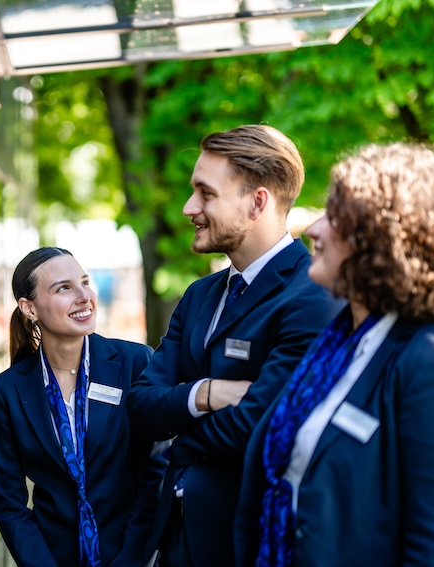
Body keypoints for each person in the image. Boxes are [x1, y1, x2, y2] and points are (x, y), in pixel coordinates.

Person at [126, 124, 341, 567]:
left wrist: (180, 436)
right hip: (176, 540)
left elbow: (258, 427)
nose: (190, 208)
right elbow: (141, 408)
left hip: (246, 543)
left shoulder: (310, 296)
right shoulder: (199, 295)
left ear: (257, 202)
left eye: (206, 193)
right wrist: (206, 393)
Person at [235, 143, 434, 567]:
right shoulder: (335, 344)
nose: (314, 229)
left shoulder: (429, 362)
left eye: (335, 218)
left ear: (382, 239)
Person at [0, 247, 164, 567]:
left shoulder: (134, 363)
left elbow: (153, 476)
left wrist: (131, 561)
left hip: (132, 555)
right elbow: (9, 502)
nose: (84, 296)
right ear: (29, 308)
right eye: (64, 288)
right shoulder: (8, 390)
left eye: (85, 282)